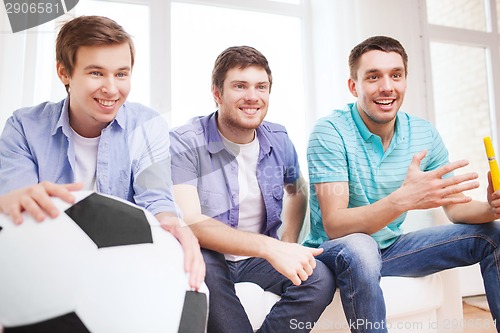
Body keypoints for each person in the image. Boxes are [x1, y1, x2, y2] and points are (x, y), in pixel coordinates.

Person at [303, 35, 500, 332]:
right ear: (353, 86)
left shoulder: (422, 133)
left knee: (493, 235)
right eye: (373, 77)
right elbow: (336, 224)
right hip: (334, 251)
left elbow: (456, 211)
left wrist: (491, 208)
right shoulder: (330, 131)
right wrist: (405, 199)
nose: (387, 87)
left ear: (405, 80)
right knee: (361, 247)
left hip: (392, 248)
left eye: (396, 75)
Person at [0, 15, 205, 290]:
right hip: (47, 259)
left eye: (121, 74)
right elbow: (17, 208)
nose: (111, 88)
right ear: (64, 73)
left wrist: (174, 225)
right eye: (96, 73)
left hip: (121, 262)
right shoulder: (24, 127)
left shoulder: (148, 125)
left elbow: (156, 199)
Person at [169, 45, 335, 333]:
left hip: (257, 260)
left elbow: (297, 189)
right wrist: (272, 248)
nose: (252, 96)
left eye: (262, 87)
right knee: (203, 268)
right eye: (240, 86)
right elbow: (192, 222)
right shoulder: (185, 142)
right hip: (209, 255)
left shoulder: (279, 139)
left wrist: (289, 240)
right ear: (217, 93)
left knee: (319, 277)